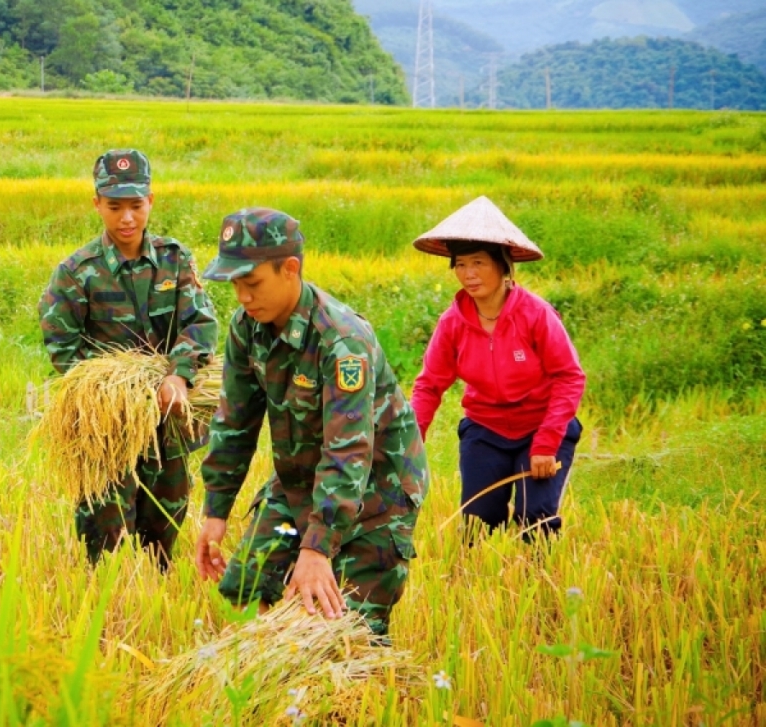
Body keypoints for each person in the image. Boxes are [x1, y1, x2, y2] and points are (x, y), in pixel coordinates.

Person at [194, 208, 427, 636]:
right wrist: (216, 510)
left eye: (252, 283)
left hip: (378, 490)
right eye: (235, 286)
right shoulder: (247, 328)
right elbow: (235, 423)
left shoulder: (341, 342)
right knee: (248, 585)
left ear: (290, 269)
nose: (243, 297)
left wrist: (316, 548)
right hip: (301, 478)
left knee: (345, 630)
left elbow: (348, 451)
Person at [38, 149, 218, 568]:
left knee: (164, 522)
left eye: (136, 206)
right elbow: (62, 344)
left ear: (150, 202)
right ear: (97, 204)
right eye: (114, 207)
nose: (126, 219)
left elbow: (201, 324)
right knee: (106, 528)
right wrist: (114, 391)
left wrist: (179, 376)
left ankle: (157, 598)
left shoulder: (175, 260)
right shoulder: (76, 272)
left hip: (168, 418)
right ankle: (101, 603)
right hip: (106, 425)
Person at [410, 196, 585, 539]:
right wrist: (411, 442)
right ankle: (480, 588)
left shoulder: (535, 315)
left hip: (540, 425)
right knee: (478, 522)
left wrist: (547, 444)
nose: (468, 274)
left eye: (478, 263)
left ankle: (538, 586)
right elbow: (430, 384)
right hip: (485, 429)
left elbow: (569, 377)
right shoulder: (452, 323)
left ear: (503, 266)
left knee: (534, 519)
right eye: (460, 264)